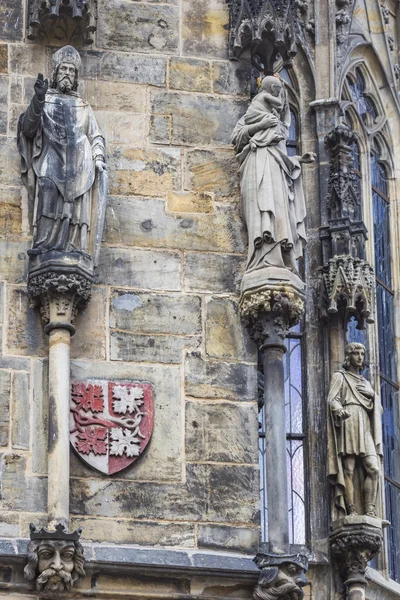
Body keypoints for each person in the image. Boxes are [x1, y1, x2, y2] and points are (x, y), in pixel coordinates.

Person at [18, 45, 106, 256]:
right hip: (52, 160)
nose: (67, 73)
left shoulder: (83, 106)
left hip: (79, 165)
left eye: (71, 70)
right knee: (47, 187)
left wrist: (98, 157)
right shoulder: (45, 101)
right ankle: (44, 244)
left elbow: (95, 135)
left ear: (75, 76)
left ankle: (75, 247)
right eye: (63, 69)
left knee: (77, 202)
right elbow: (28, 129)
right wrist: (38, 99)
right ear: (56, 74)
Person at [231, 75, 315, 275]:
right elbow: (236, 138)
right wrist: (260, 125)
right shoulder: (252, 115)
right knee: (261, 207)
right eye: (275, 92)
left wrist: (299, 160)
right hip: (257, 162)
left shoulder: (279, 126)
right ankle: (261, 258)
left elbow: (282, 156)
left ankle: (281, 259)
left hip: (277, 168)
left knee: (279, 211)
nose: (279, 104)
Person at [327, 343, 383, 517]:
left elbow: (378, 408)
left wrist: (373, 394)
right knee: (349, 469)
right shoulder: (340, 376)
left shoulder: (365, 383)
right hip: (349, 420)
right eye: (356, 353)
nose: (360, 357)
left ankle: (370, 509)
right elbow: (332, 399)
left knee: (374, 469)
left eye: (362, 354)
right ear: (348, 356)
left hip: (364, 423)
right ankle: (351, 509)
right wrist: (338, 409)